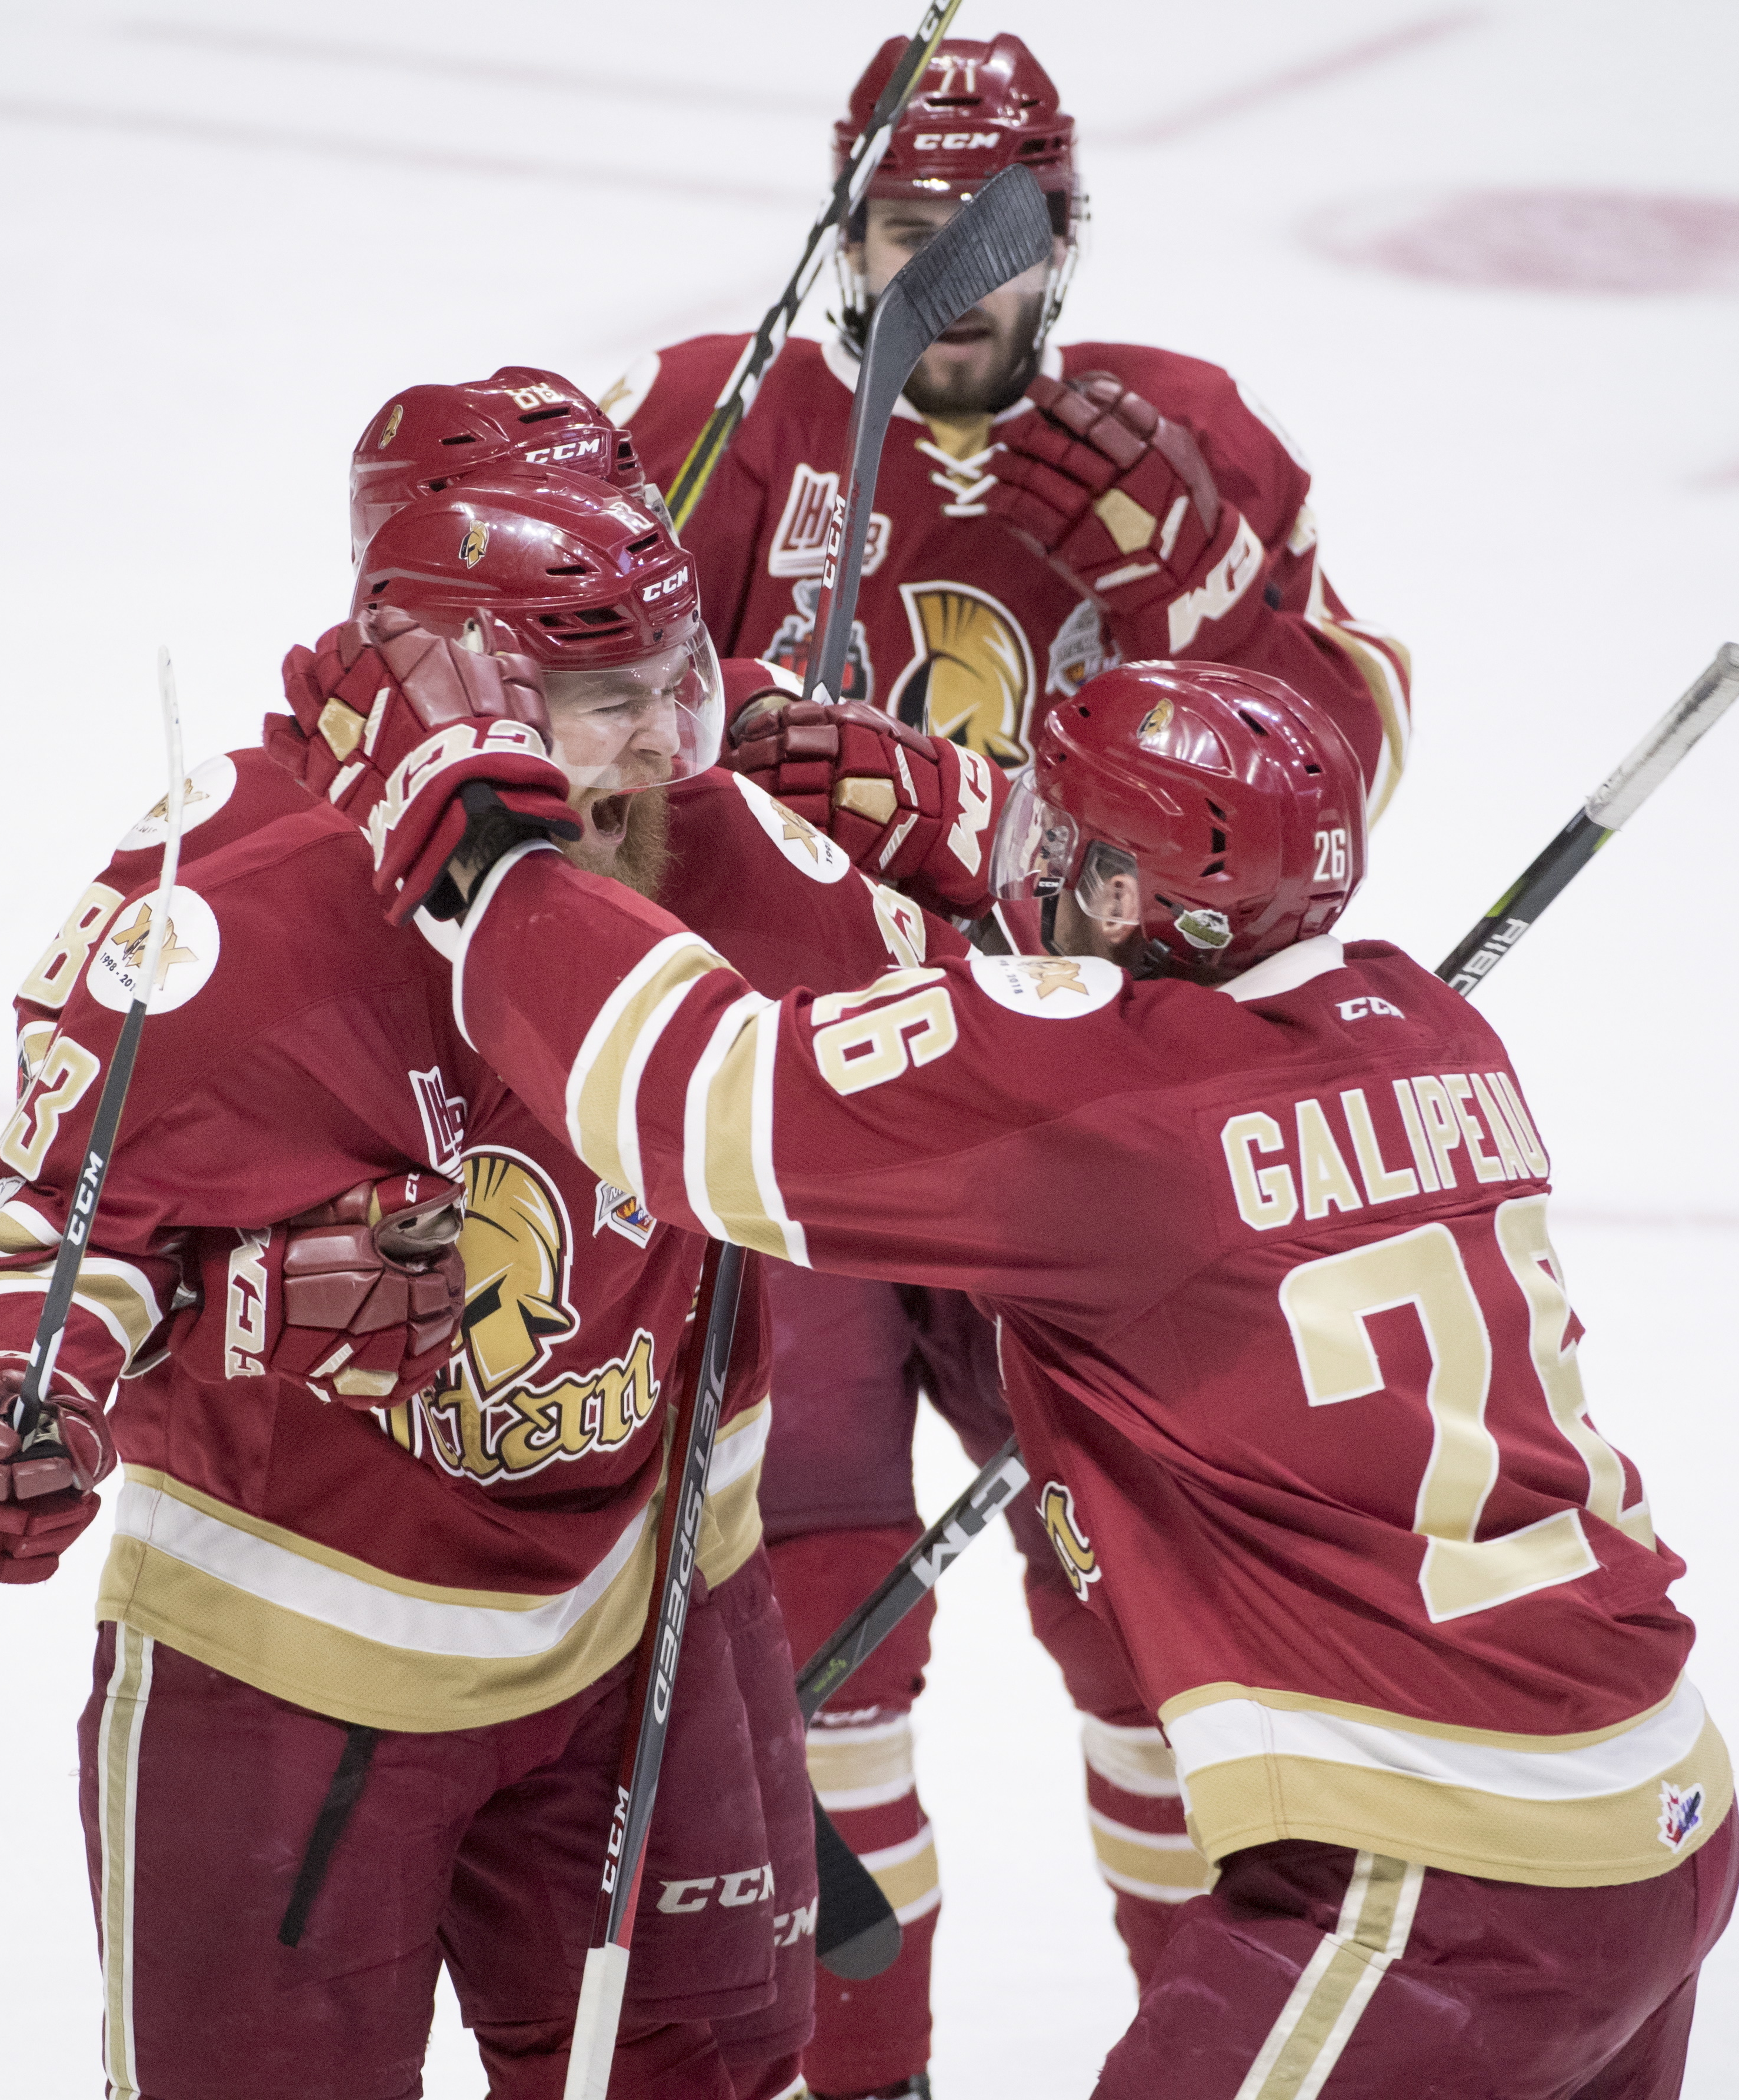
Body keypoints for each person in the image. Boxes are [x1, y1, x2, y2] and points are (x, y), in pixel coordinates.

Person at [329, 646, 1737, 2099]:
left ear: (1128, 895)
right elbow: (1102, 1005)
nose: (1036, 865)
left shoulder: (1108, 1107)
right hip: (1656, 1808)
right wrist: (925, 799)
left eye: (1062, 844)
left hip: (1437, 1877)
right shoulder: (1426, 1025)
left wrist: (500, 869)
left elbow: (697, 1098)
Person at [0, 438, 995, 2099]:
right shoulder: (227, 911)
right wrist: (19, 1394)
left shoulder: (724, 844)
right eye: (604, 695)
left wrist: (981, 830)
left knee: (714, 2073)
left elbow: (1037, 1049)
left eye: (673, 680)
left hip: (653, 1608)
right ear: (455, 684)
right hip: (299, 1662)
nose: (661, 744)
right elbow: (61, 1230)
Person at [609, 35, 1416, 2091]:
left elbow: (1344, 783)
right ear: (843, 222)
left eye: (1008, 236)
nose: (958, 287)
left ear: (1071, 231)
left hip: (1098, 1136)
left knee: (1183, 1657)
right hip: (824, 1137)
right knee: (814, 1666)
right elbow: (583, 746)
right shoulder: (714, 426)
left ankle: (1230, 2049)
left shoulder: (1181, 442)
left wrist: (1193, 580)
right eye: (911, 233)